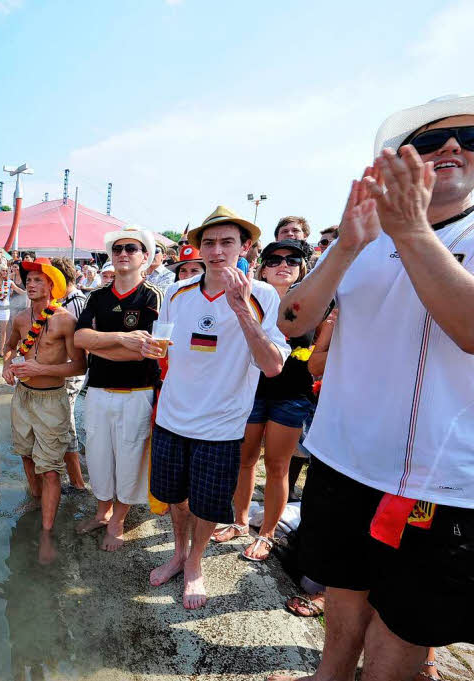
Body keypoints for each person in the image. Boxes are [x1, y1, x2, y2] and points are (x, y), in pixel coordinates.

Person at [272, 97, 474, 681]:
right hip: (343, 456)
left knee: (403, 621)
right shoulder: (364, 239)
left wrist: (409, 228)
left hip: (433, 479)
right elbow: (292, 320)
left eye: (467, 135)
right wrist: (346, 245)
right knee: (344, 590)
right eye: (432, 141)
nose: (453, 147)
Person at [145, 206, 288, 609]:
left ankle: (195, 562)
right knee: (175, 497)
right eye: (209, 242)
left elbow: (273, 365)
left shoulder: (262, 296)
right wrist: (147, 347)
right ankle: (177, 552)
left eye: (227, 242)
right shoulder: (176, 291)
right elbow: (163, 347)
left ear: (245, 247)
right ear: (198, 249)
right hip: (173, 416)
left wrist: (240, 306)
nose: (217, 250)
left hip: (222, 426)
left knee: (207, 504)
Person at [212, 240, 312, 560]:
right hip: (253, 390)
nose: (283, 264)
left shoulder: (313, 303)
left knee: (278, 466)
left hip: (292, 395)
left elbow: (316, 353)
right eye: (274, 259)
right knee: (245, 460)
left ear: (302, 267)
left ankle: (267, 534)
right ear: (263, 268)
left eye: (292, 259)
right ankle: (241, 522)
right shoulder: (250, 299)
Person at [73, 228, 163, 551]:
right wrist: (123, 339)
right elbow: (79, 339)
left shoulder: (152, 295)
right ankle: (102, 511)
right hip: (97, 390)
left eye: (131, 249)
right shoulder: (97, 297)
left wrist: (100, 344)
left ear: (144, 257)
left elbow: (150, 349)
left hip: (137, 392)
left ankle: (118, 519)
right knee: (97, 456)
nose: (123, 253)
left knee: (130, 458)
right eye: (118, 249)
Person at [2, 259, 86, 556]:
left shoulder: (64, 320)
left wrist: (42, 370)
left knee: (50, 469)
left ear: (53, 285)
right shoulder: (21, 318)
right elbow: (10, 346)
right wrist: (7, 365)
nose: (31, 283)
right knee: (25, 454)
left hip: (52, 399)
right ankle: (36, 501)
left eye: (39, 279)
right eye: (29, 279)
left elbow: (79, 365)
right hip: (22, 398)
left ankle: (48, 532)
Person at [50, 257, 88, 492]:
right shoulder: (67, 300)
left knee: (66, 423)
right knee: (62, 421)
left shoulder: (76, 303)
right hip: (63, 370)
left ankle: (77, 482)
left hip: (70, 372)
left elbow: (78, 344)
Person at [0, 262, 24, 356]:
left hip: (5, 310)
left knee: (3, 332)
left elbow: (20, 291)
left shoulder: (9, 282)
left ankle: (1, 351)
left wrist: (28, 292)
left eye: (6, 271)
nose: (5, 272)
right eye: (3, 270)